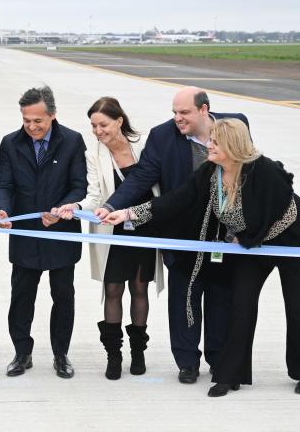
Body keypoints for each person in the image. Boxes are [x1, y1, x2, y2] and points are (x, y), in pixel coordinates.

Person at [106, 118, 300, 397]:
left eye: (214, 142)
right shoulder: (211, 172)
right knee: (240, 304)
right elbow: (176, 200)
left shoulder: (264, 170)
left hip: (291, 238)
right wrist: (128, 214)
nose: (208, 145)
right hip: (253, 243)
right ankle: (230, 374)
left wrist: (249, 238)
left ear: (231, 146)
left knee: (298, 305)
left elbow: (279, 212)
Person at [96, 86, 247, 384]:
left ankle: (218, 360)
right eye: (174, 113)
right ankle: (187, 362)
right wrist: (113, 205)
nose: (177, 118)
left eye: (184, 112)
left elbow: (248, 169)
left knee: (220, 300)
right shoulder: (162, 136)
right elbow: (142, 177)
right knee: (184, 300)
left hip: (223, 237)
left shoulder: (235, 126)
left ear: (204, 110)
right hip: (182, 234)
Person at [55, 97, 163, 379]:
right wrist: (76, 208)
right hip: (112, 231)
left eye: (103, 124)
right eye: (93, 126)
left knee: (140, 289)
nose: (98, 131)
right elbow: (94, 197)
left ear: (119, 121)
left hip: (144, 227)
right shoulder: (94, 155)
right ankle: (113, 355)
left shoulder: (144, 145)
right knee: (113, 291)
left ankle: (138, 352)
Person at [0, 86, 87, 379]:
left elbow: (79, 185)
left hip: (61, 233)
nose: (32, 127)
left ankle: (61, 355)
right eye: (26, 121)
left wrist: (62, 208)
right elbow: (3, 185)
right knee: (21, 296)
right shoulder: (10, 143)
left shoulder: (72, 141)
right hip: (25, 234)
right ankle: (22, 352)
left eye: (38, 121)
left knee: (63, 296)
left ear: (53, 115)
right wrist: (2, 210)